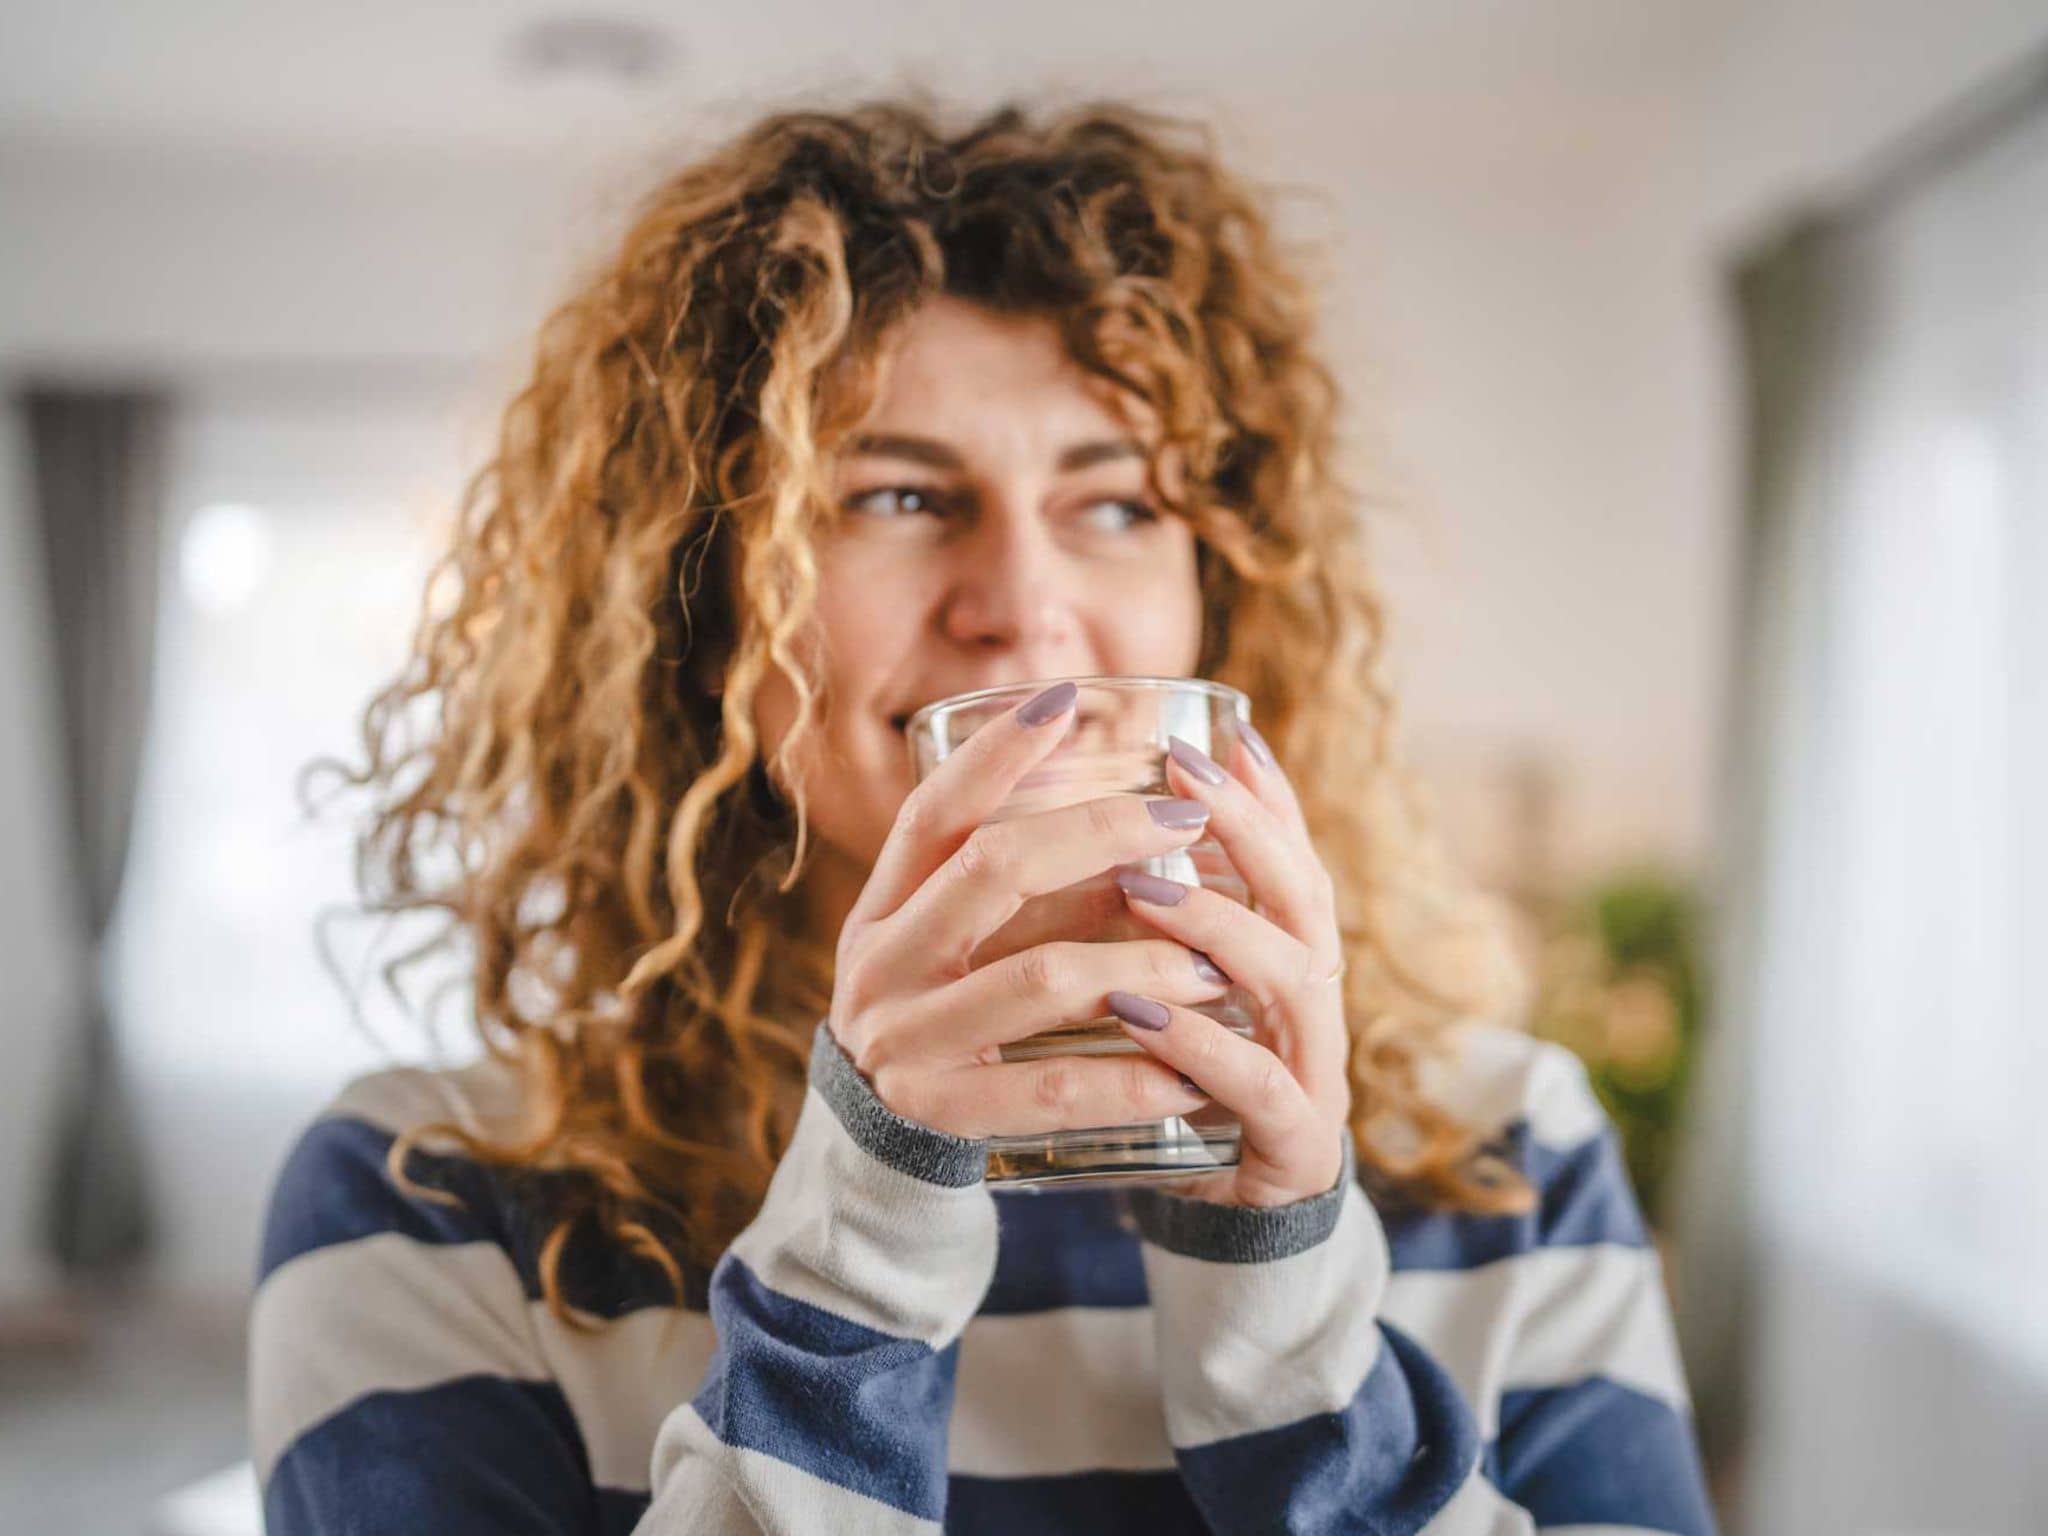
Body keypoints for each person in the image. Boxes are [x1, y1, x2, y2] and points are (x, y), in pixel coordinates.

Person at [250, 96, 1717, 1535]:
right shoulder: (432, 1200)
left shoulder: (1507, 1151)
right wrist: (865, 1242)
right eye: (895, 496)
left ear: (1219, 598)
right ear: (699, 608)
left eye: (1117, 505)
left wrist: (1285, 1321)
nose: (1023, 609)